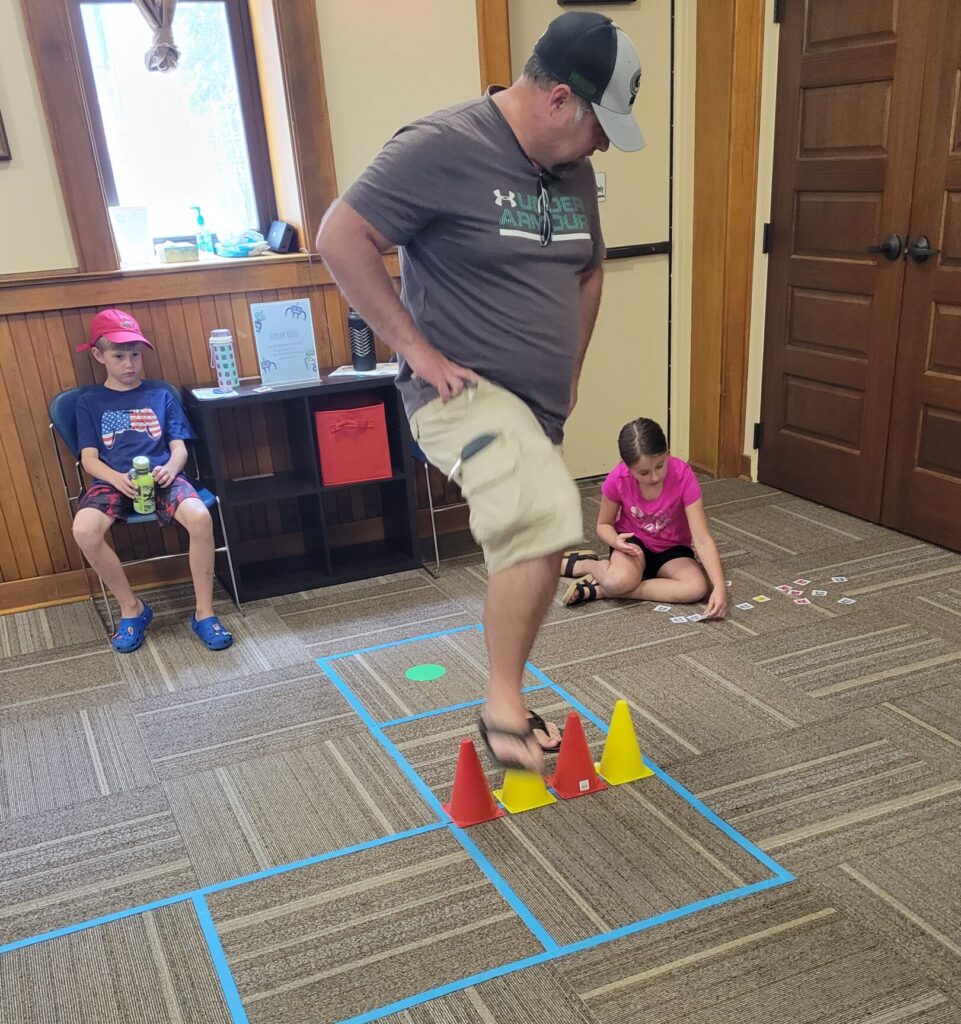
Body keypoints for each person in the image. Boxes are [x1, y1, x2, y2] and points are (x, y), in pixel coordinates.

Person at [317, 12, 645, 773]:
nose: (603, 144)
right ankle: (501, 708)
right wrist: (415, 349)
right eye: (601, 124)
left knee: (544, 534)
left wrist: (572, 365)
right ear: (559, 97)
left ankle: (508, 692)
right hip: (458, 394)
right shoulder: (440, 146)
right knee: (539, 520)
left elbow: (588, 266)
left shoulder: (571, 171)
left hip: (537, 402)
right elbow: (341, 236)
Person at [72, 308, 233, 654]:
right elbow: (88, 459)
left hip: (164, 476)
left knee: (201, 518)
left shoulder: (161, 395)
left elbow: (179, 449)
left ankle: (204, 613)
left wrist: (171, 470)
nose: (129, 364)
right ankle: (132, 609)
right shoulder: (89, 402)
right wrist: (116, 478)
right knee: (84, 530)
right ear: (99, 356)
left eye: (135, 354)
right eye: (119, 356)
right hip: (113, 480)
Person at [560, 417, 728, 619]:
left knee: (696, 588)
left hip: (672, 549)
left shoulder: (683, 475)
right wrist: (615, 541)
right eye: (644, 472)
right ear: (627, 467)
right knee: (617, 581)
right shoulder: (618, 478)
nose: (655, 477)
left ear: (667, 453)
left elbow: (702, 539)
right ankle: (588, 565)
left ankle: (604, 590)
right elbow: (603, 525)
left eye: (660, 465)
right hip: (632, 543)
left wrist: (719, 586)